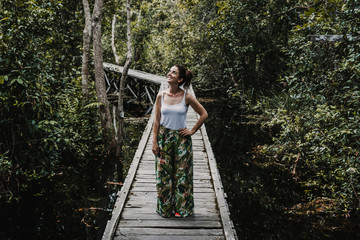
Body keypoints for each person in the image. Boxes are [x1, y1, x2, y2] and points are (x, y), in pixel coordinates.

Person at [152, 65, 208, 218]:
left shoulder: (187, 97)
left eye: (174, 72)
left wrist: (192, 130)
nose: (169, 73)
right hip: (164, 138)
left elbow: (204, 114)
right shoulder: (160, 96)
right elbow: (156, 121)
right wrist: (154, 142)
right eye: (169, 71)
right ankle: (165, 209)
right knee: (163, 175)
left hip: (181, 139)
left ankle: (181, 209)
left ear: (180, 79)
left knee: (182, 175)